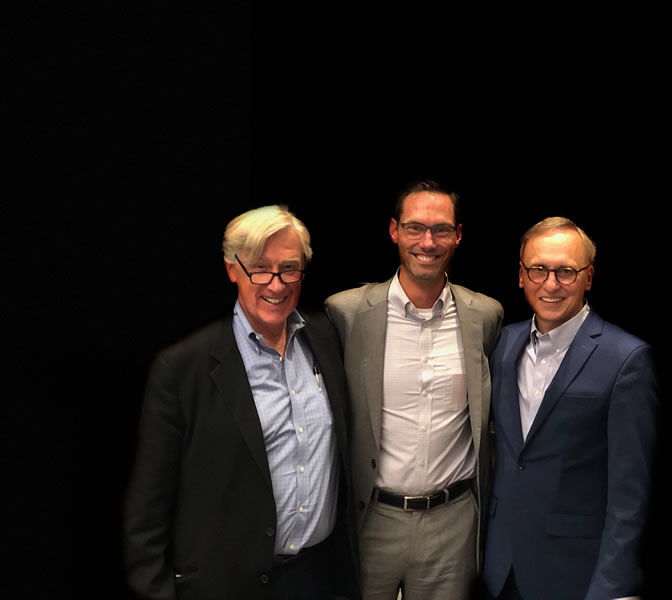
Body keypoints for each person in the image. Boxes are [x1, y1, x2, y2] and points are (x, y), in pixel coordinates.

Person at [123, 206, 359, 600]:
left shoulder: (325, 337)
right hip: (226, 585)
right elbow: (147, 509)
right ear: (233, 269)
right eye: (259, 268)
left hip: (316, 580)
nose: (277, 284)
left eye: (289, 268)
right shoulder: (184, 368)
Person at [324, 179, 504, 600]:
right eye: (415, 228)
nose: (428, 241)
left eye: (441, 229)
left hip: (452, 522)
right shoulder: (346, 313)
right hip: (373, 517)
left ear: (457, 236)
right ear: (394, 231)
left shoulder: (485, 315)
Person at [482, 216, 659, 600]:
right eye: (539, 269)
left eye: (566, 271)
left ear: (588, 277)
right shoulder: (503, 344)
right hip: (500, 567)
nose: (550, 283)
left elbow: (630, 495)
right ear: (521, 275)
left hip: (574, 574)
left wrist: (612, 587)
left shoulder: (626, 359)